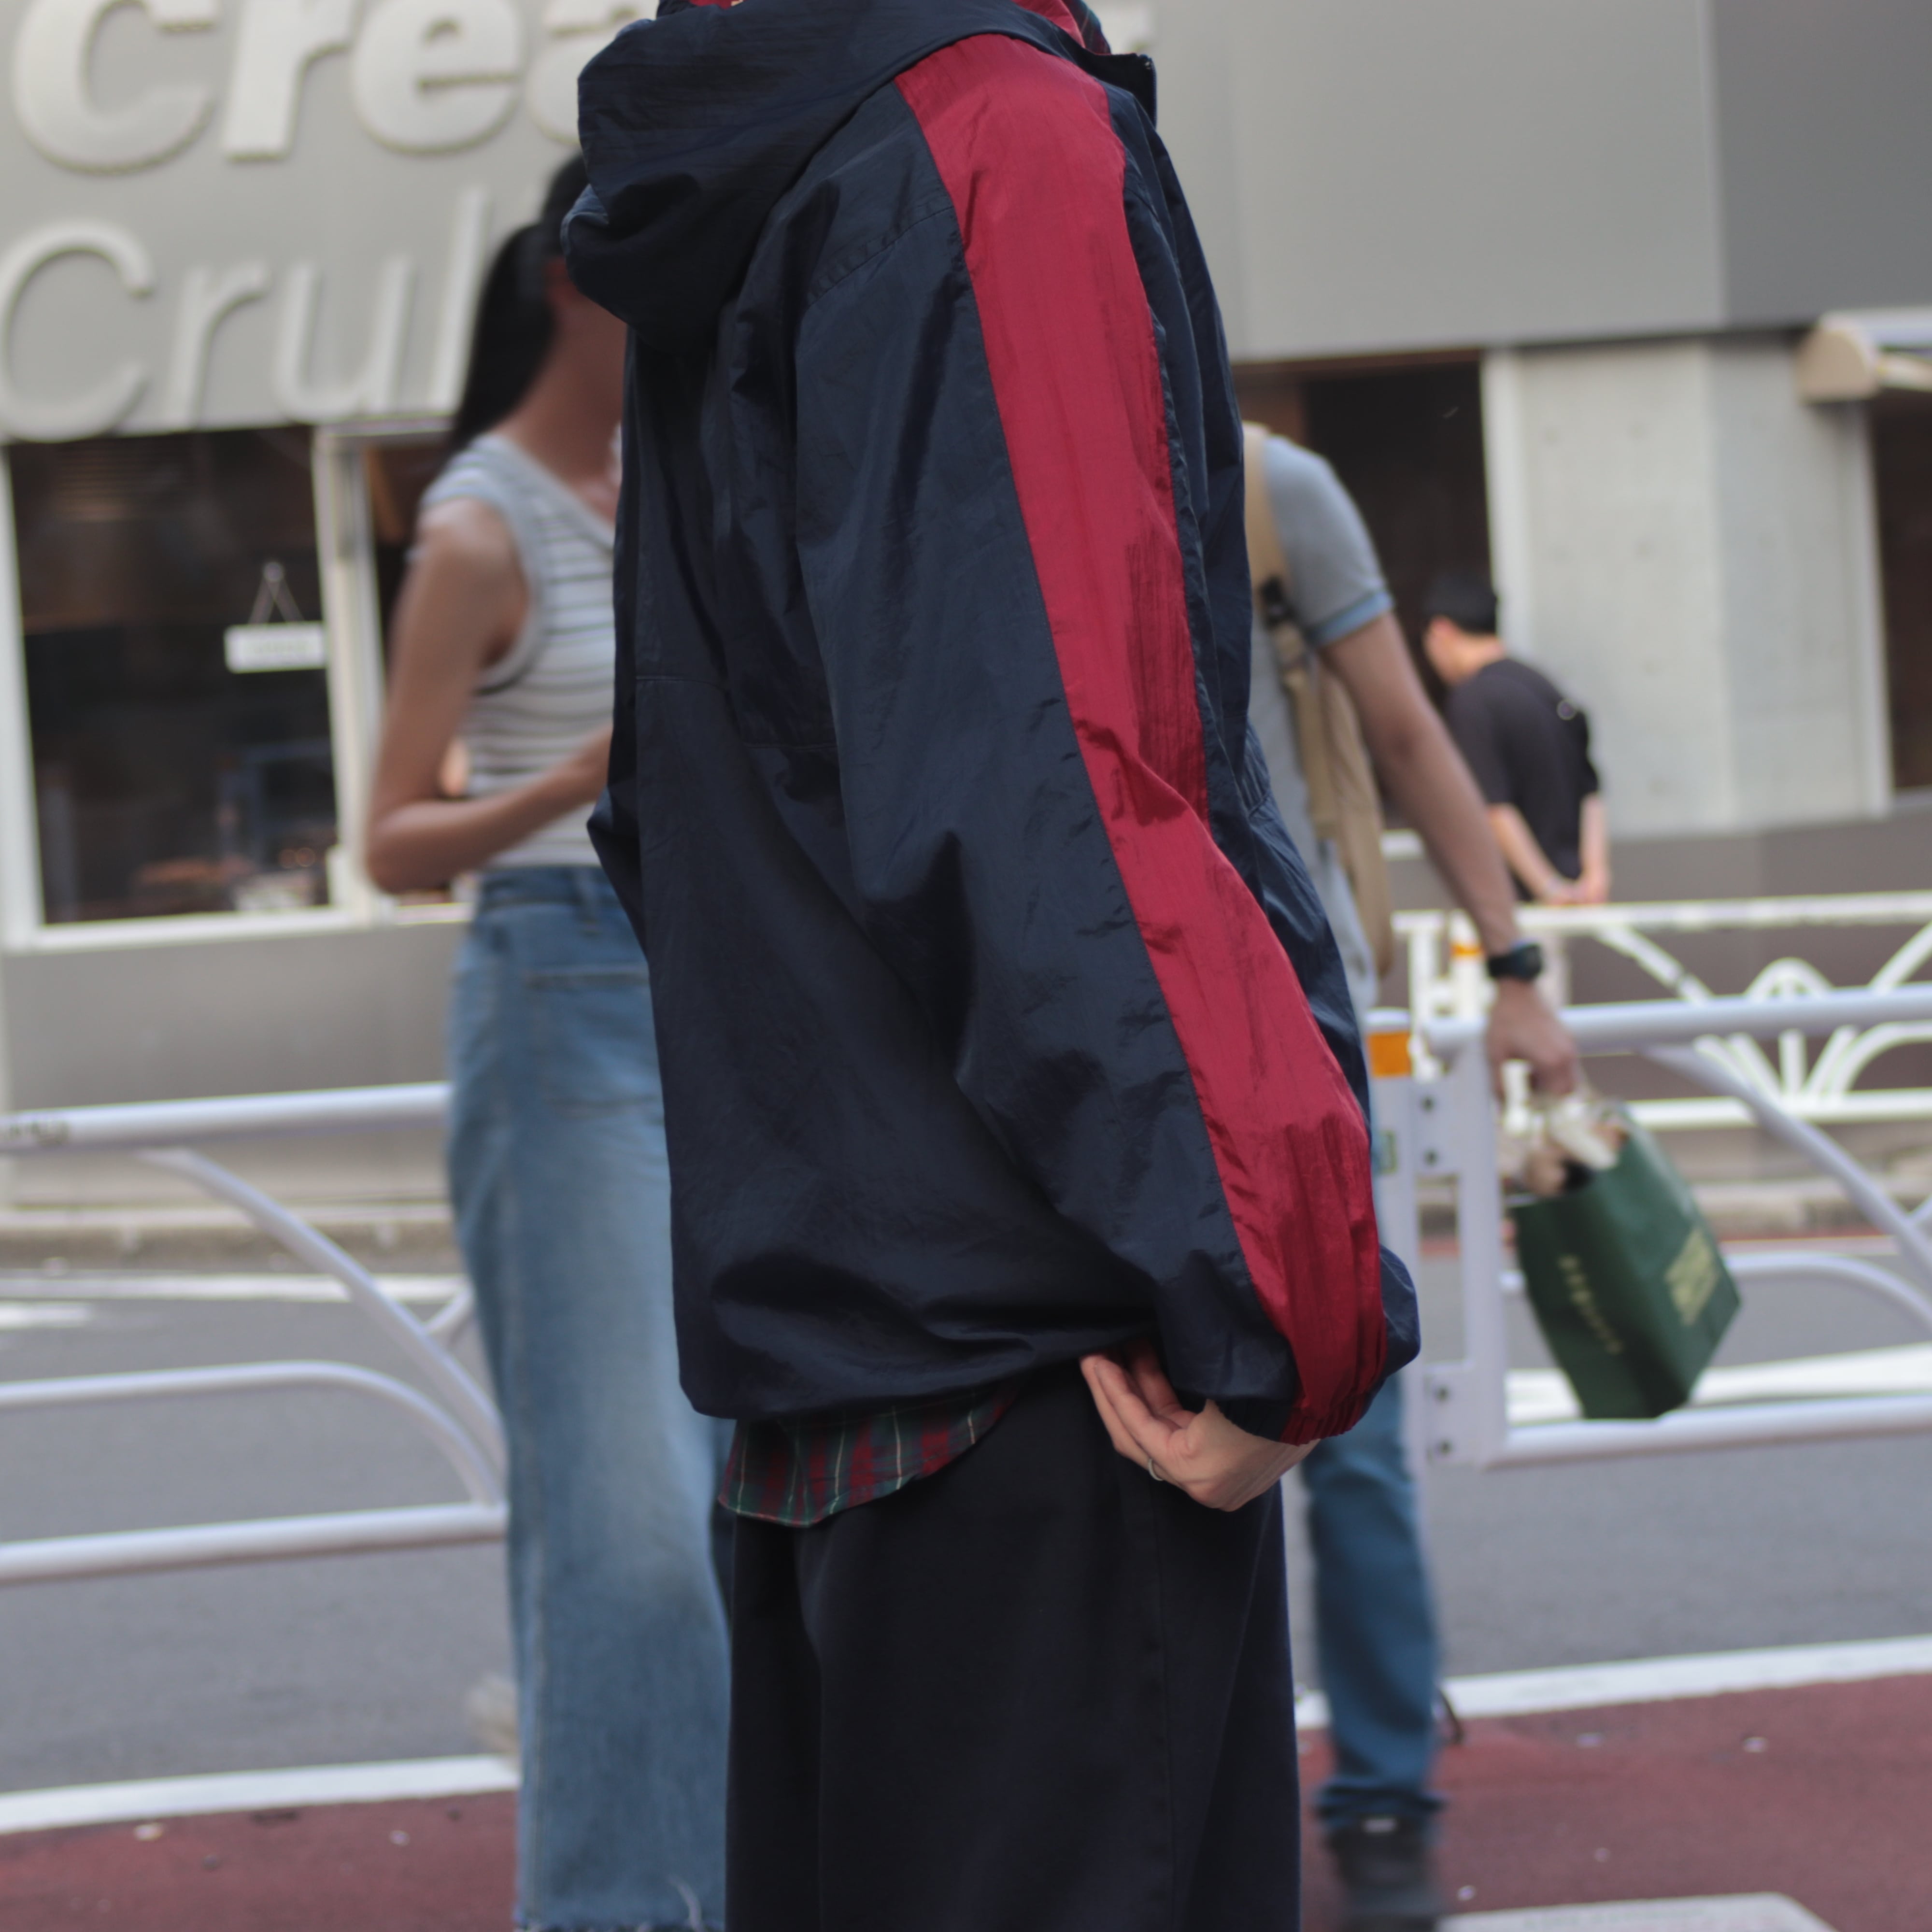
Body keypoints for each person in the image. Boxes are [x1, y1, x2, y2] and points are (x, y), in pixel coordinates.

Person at [564, 1, 1418, 1927]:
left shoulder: (767, 159)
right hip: (1063, 1346)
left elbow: (683, 807)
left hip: (841, 1347)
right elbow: (1069, 786)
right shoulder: (987, 139)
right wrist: (1290, 1305)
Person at [364, 158, 729, 1932]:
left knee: (746, 1510)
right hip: (562, 992)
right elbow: (386, 839)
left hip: (730, 994)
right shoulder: (477, 527)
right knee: (628, 1536)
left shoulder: (688, 473)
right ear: (579, 281)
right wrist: (584, 774)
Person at [1246, 430, 1579, 1932]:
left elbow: (1403, 728)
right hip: (1101, 1021)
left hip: (1303, 1010)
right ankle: (1211, 1791)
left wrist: (1514, 965)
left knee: (1357, 1421)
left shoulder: (1272, 487)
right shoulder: (998, 444)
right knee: (1150, 1428)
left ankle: (1382, 1788)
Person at [1423, 570, 1611, 906]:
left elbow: (1493, 808)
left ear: (1442, 632)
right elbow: (1590, 791)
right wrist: (1595, 875)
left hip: (1526, 903)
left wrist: (1549, 889)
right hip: (1577, 893)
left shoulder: (1472, 701)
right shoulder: (1542, 686)